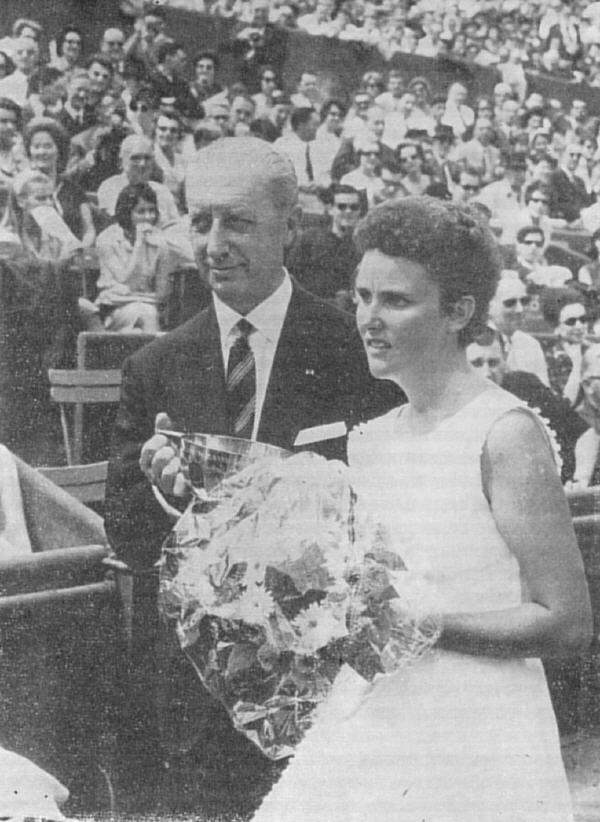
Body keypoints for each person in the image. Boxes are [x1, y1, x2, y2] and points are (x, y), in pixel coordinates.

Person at [252, 195, 591, 822]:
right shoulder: (372, 438)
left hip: (477, 728)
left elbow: (567, 622)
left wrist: (422, 624)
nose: (368, 319)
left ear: (458, 311)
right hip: (377, 714)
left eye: (396, 300)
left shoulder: (504, 433)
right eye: (362, 296)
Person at [104, 138, 400, 811]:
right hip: (203, 706)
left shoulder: (356, 351)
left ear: (289, 228)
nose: (214, 245)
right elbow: (126, 532)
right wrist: (170, 496)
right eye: (200, 222)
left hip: (333, 694)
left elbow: (392, 517)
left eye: (237, 222)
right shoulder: (155, 367)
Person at [467, 327, 588, 482]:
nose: (487, 373)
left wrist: (582, 478)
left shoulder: (525, 384)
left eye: (493, 363)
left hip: (562, 483)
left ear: (505, 359)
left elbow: (584, 433)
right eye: (477, 363)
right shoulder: (455, 404)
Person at [94, 182, 184, 333]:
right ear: (127, 213)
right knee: (146, 314)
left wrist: (136, 297)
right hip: (114, 309)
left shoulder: (161, 242)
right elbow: (127, 280)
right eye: (141, 212)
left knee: (142, 321)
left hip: (147, 306)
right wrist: (139, 243)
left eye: (151, 210)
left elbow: (162, 293)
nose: (148, 217)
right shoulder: (107, 239)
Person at [23, 118, 96, 248]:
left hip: (72, 255)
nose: (42, 152)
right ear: (30, 151)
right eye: (36, 147)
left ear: (59, 150)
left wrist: (81, 247)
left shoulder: (73, 190)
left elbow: (88, 231)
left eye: (48, 146)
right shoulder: (21, 188)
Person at [97, 134, 179, 227]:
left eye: (147, 158)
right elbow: (117, 224)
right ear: (121, 161)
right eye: (135, 158)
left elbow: (175, 224)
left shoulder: (162, 191)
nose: (142, 164)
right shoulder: (110, 187)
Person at [488, 272, 550, 385]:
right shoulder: (472, 344)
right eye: (510, 303)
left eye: (524, 301)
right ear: (489, 307)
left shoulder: (530, 345)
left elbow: (543, 392)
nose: (520, 309)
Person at [540, 287, 590, 404]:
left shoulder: (593, 349)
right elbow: (565, 404)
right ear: (556, 327)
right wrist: (577, 364)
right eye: (571, 322)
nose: (579, 326)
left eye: (583, 319)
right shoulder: (551, 359)